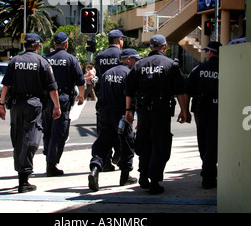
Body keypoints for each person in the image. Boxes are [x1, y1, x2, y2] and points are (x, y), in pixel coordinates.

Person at [0, 33, 61, 193]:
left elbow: (5, 85)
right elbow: (52, 88)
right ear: (38, 46)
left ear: (24, 45)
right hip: (34, 104)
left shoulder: (14, 61)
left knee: (18, 138)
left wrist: (1, 104)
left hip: (17, 105)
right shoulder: (42, 62)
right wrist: (57, 106)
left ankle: (21, 173)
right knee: (31, 138)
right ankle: (24, 178)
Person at [125, 34, 187, 195]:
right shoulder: (170, 65)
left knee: (144, 143)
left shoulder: (139, 64)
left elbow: (129, 90)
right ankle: (154, 181)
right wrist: (184, 110)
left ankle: (143, 176)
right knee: (160, 145)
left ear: (151, 47)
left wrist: (128, 110)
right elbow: (180, 91)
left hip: (143, 112)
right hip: (162, 112)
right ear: (165, 47)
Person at [88, 48, 142, 191]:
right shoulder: (129, 74)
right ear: (128, 59)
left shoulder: (106, 74)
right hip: (122, 113)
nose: (136, 64)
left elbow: (99, 92)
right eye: (135, 60)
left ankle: (95, 167)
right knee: (126, 142)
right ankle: (125, 175)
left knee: (103, 141)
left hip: (105, 112)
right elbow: (132, 95)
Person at [42, 31, 85, 176]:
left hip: (46, 98)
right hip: (63, 99)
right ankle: (51, 164)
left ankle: (48, 155)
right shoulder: (71, 59)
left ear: (54, 44)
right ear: (66, 44)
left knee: (47, 130)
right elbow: (80, 81)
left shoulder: (45, 58)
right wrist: (81, 96)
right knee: (59, 132)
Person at [185, 40, 222, 189]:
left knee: (203, 139)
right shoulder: (226, 68)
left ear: (210, 52)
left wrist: (185, 110)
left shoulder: (198, 69)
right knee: (214, 141)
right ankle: (209, 173)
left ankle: (207, 170)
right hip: (219, 109)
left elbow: (187, 90)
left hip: (201, 109)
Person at [94, 29, 126, 170]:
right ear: (119, 40)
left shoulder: (100, 56)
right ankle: (119, 157)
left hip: (104, 97)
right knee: (121, 130)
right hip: (120, 97)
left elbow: (98, 79)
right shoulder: (123, 56)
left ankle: (105, 161)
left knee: (104, 132)